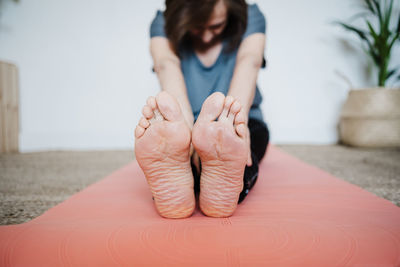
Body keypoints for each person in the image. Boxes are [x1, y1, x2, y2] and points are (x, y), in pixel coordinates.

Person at [134, 0, 269, 219]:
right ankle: (185, 177)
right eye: (197, 27)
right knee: (182, 153)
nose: (206, 37)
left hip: (244, 118)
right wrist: (186, 130)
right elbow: (166, 65)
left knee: (242, 151)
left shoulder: (251, 16)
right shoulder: (162, 23)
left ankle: (200, 180)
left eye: (216, 26)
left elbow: (249, 61)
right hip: (185, 126)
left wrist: (236, 125)